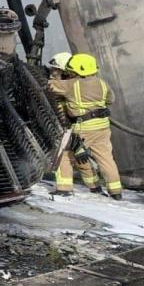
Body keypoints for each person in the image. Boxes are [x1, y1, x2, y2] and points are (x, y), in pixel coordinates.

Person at [48, 52, 122, 200]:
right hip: (102, 127)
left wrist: (53, 76)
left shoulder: (71, 84)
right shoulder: (103, 83)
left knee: (64, 152)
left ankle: (64, 188)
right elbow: (110, 100)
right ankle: (115, 191)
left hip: (83, 128)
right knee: (106, 158)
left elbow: (49, 86)